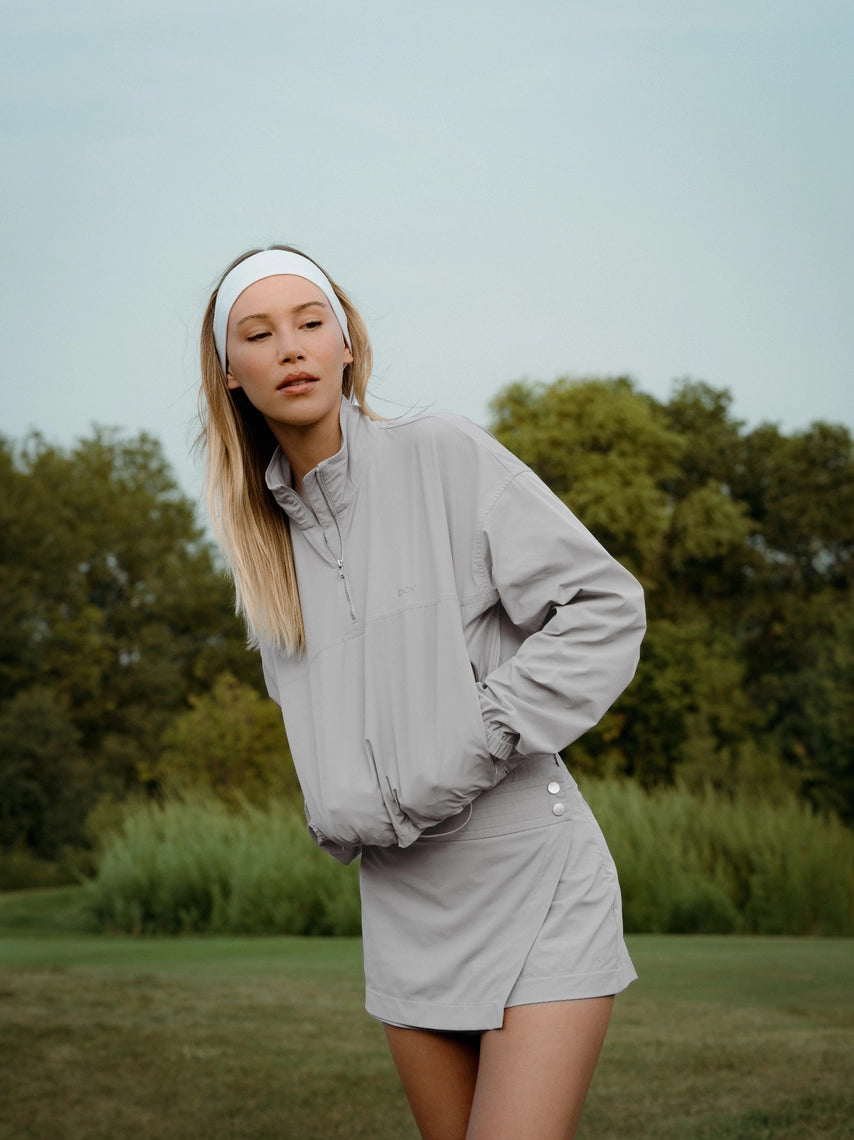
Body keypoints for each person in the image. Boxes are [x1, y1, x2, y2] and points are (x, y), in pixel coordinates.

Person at [198, 244, 646, 1140]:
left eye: (309, 323)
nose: (290, 347)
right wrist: (336, 802)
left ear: (346, 344)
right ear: (232, 376)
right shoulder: (265, 560)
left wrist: (478, 732)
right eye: (260, 333)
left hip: (531, 878)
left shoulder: (440, 453)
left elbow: (603, 607)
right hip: (402, 901)